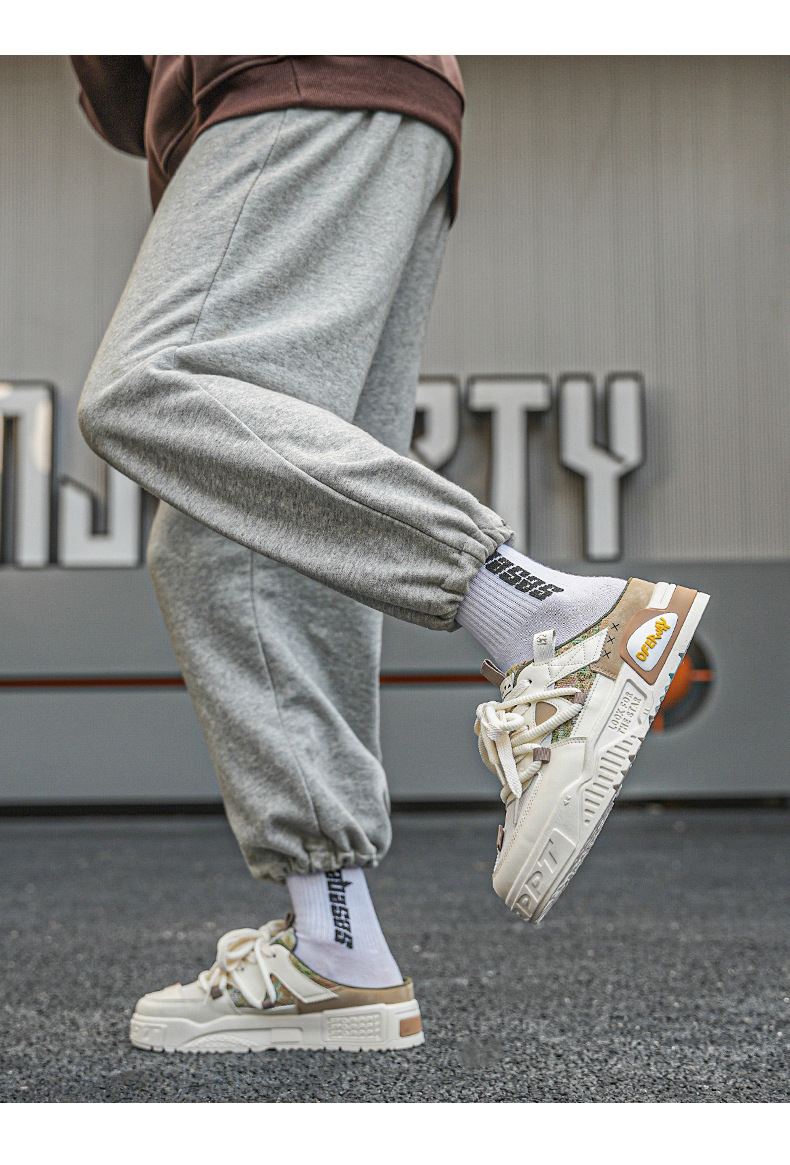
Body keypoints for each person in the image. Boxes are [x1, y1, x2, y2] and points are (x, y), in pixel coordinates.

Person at [71, 55, 709, 1054]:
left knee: (147, 385)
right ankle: (336, 948)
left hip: (285, 72)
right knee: (229, 537)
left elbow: (115, 89)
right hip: (374, 95)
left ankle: (546, 614)